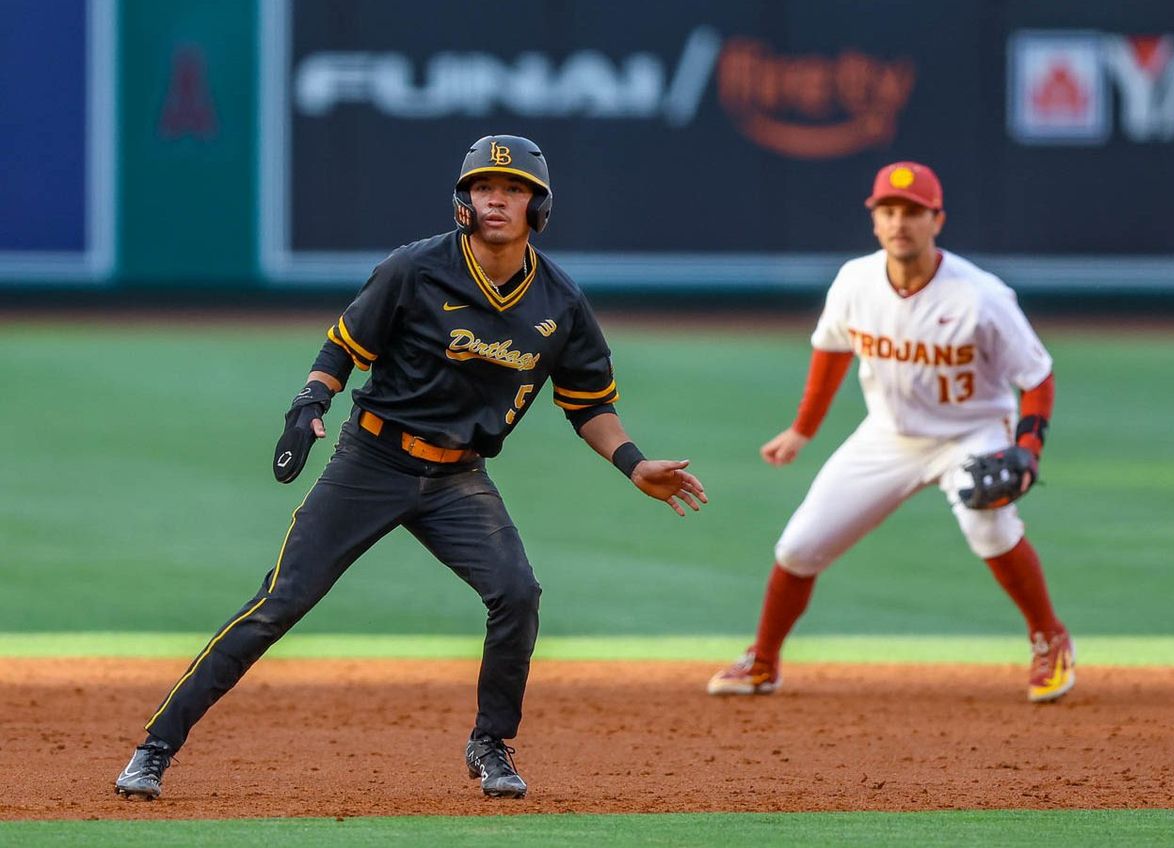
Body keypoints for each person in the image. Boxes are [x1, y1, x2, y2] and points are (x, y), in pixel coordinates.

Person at [115, 134, 707, 802]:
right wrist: (311, 399)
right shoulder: (415, 269)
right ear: (464, 200)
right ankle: (155, 748)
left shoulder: (560, 303)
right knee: (281, 602)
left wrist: (633, 464)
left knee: (517, 593)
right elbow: (344, 344)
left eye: (513, 191)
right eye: (485, 187)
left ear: (538, 207)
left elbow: (589, 403)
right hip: (371, 460)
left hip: (457, 480)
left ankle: (490, 743)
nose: (497, 200)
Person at [707, 161, 1073, 704]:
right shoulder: (856, 281)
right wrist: (802, 431)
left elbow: (1036, 375)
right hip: (889, 435)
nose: (900, 222)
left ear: (937, 220)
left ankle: (1050, 638)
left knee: (988, 528)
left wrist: (1027, 449)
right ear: (875, 221)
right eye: (889, 211)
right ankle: (762, 661)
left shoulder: (981, 296)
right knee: (799, 547)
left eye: (913, 212)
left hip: (971, 433)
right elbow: (831, 351)